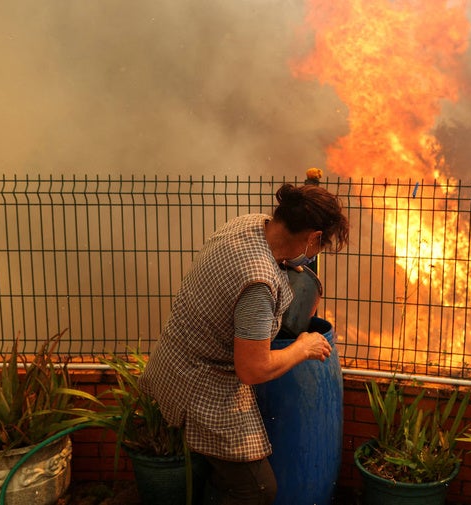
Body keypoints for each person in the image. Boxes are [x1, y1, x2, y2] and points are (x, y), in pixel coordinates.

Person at [139, 181, 349, 505]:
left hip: (174, 360)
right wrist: (302, 347)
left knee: (222, 478)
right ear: (314, 238)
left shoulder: (246, 224)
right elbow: (253, 368)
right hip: (201, 385)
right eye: (321, 247)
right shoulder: (258, 284)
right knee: (258, 489)